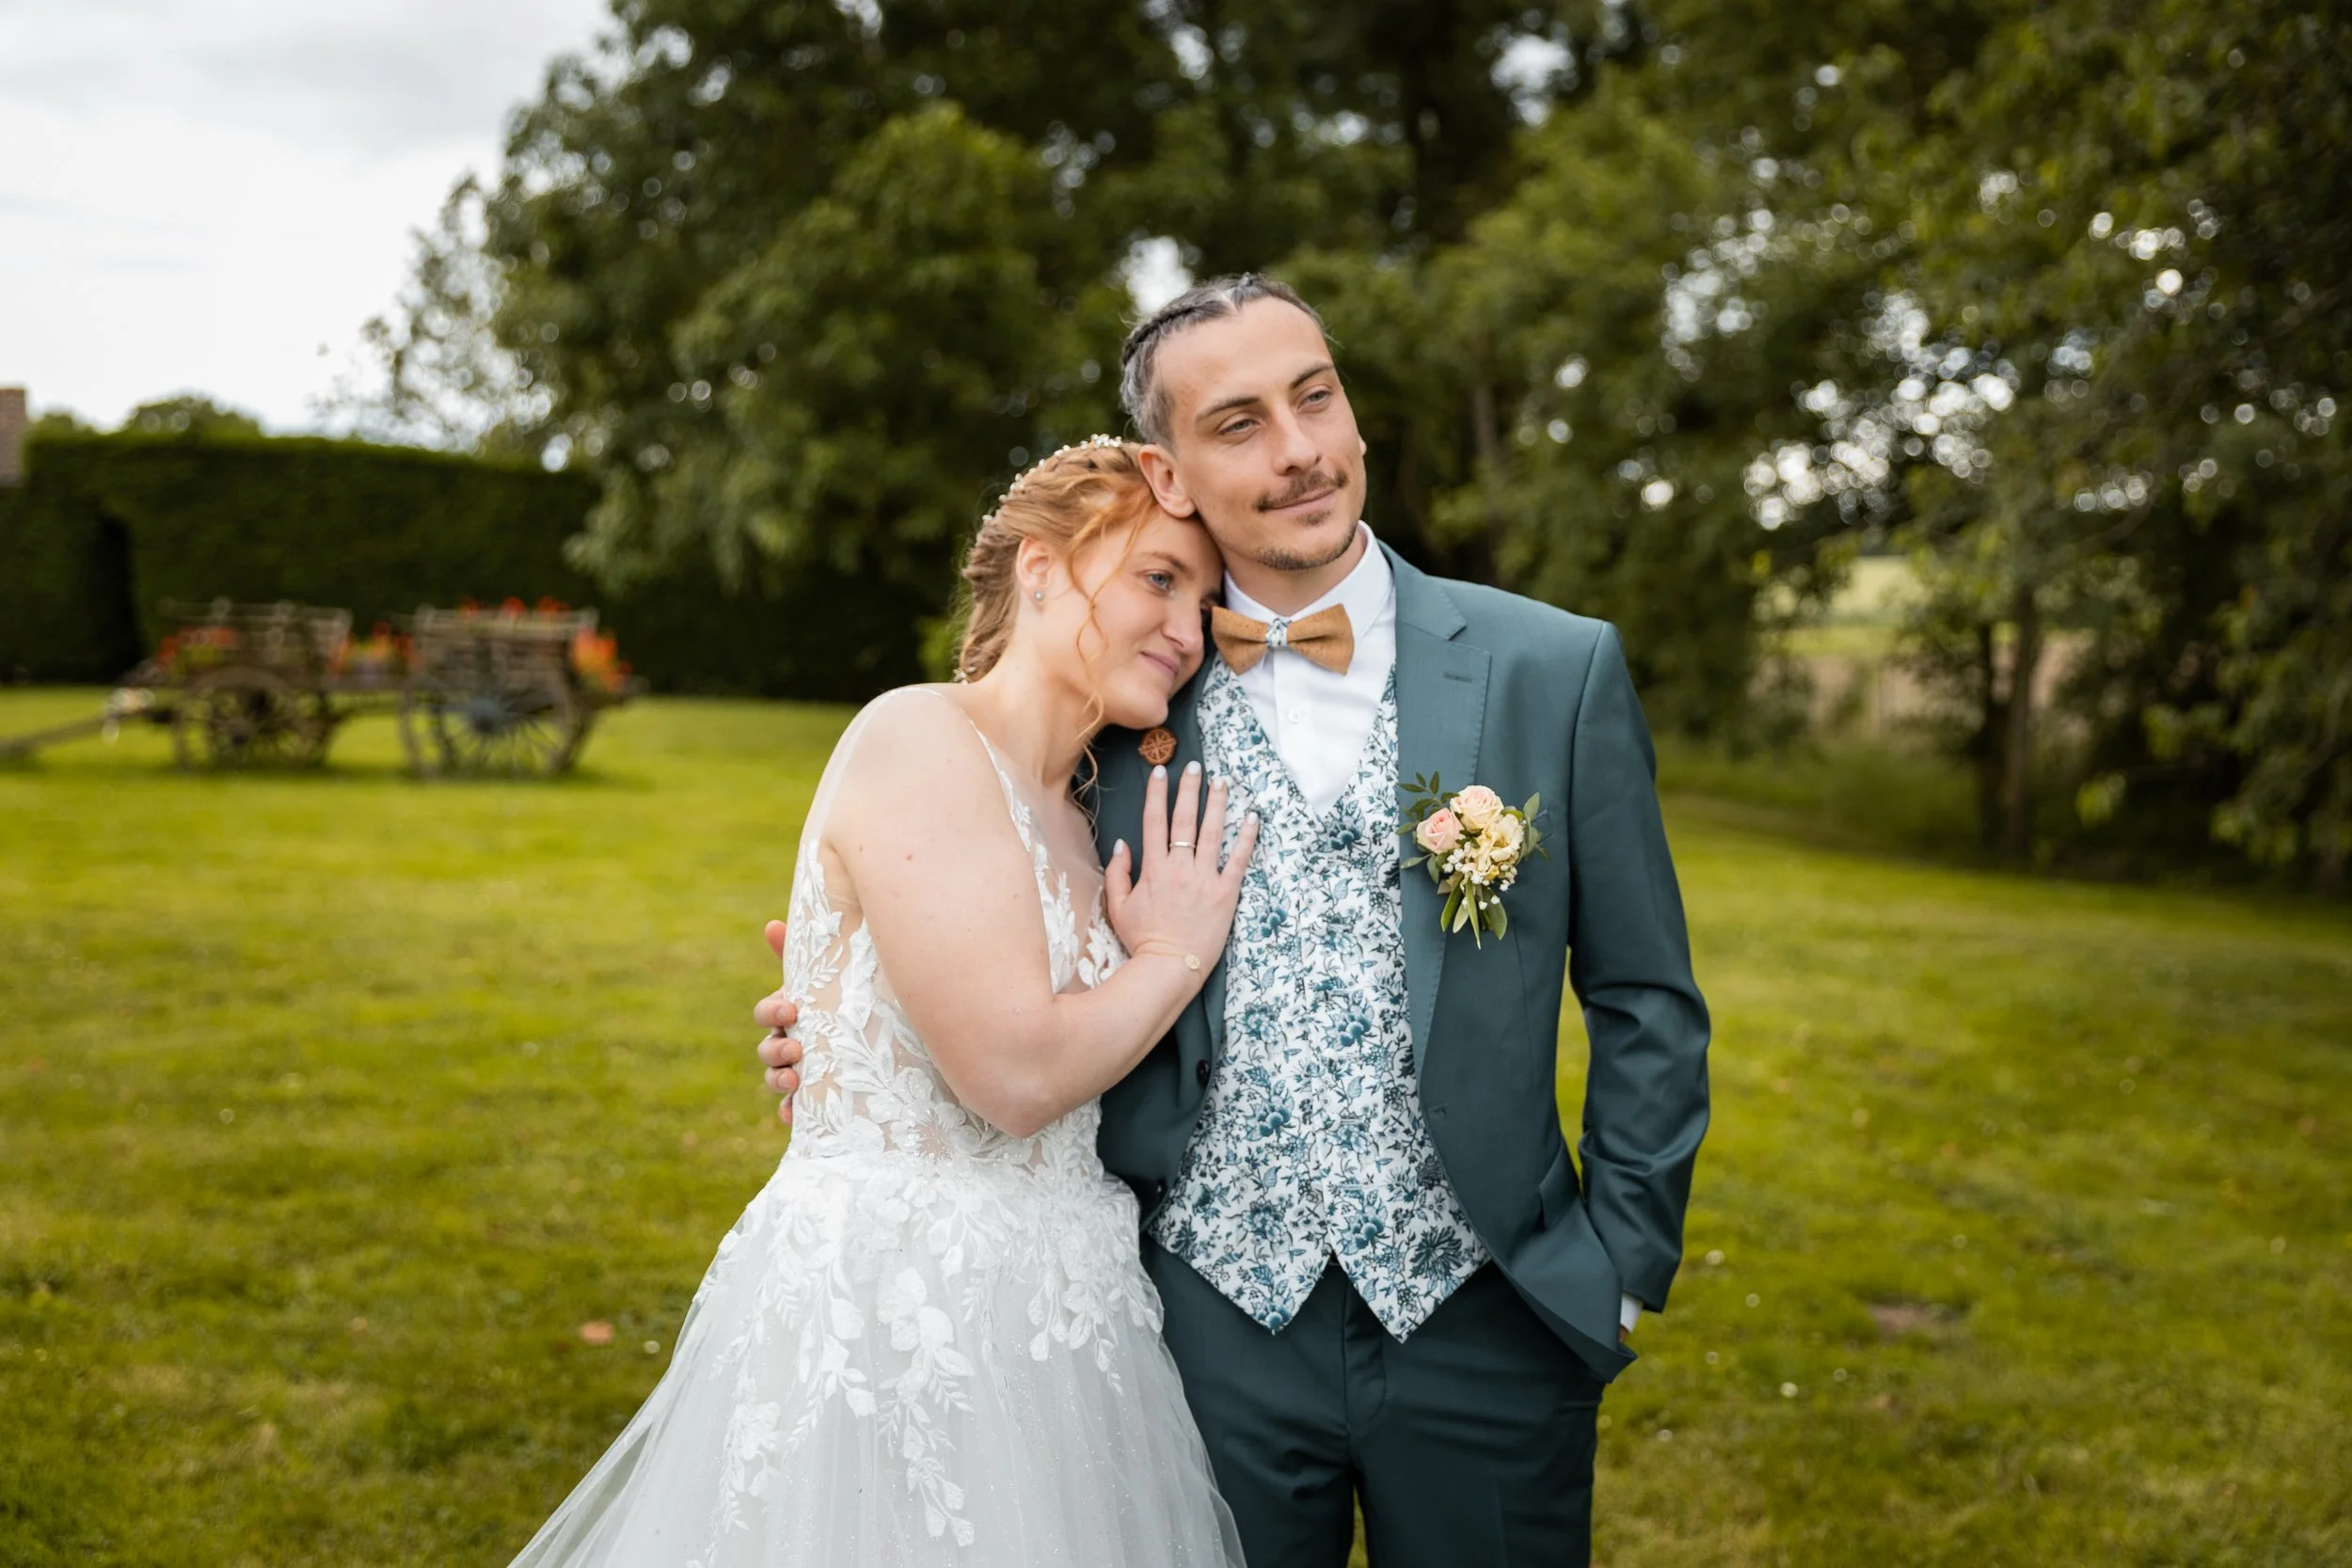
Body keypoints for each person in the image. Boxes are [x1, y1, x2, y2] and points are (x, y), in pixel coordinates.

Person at [759, 276, 1712, 1567]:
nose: (1302, 449)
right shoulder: (1119, 704)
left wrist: (1623, 1257)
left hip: (1491, 1313)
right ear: (1172, 466)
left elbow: (1644, 991)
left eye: (1316, 397)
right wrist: (847, 1021)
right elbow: (973, 918)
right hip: (1199, 1327)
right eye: (1241, 422)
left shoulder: (1552, 667)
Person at [509, 437, 1256, 1567]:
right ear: (1043, 570)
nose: (1188, 629)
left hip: (1063, 1328)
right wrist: (1171, 953)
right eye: (1158, 578)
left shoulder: (1078, 809)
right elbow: (1010, 1077)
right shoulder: (918, 736)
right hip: (891, 1317)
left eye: (1204, 598)